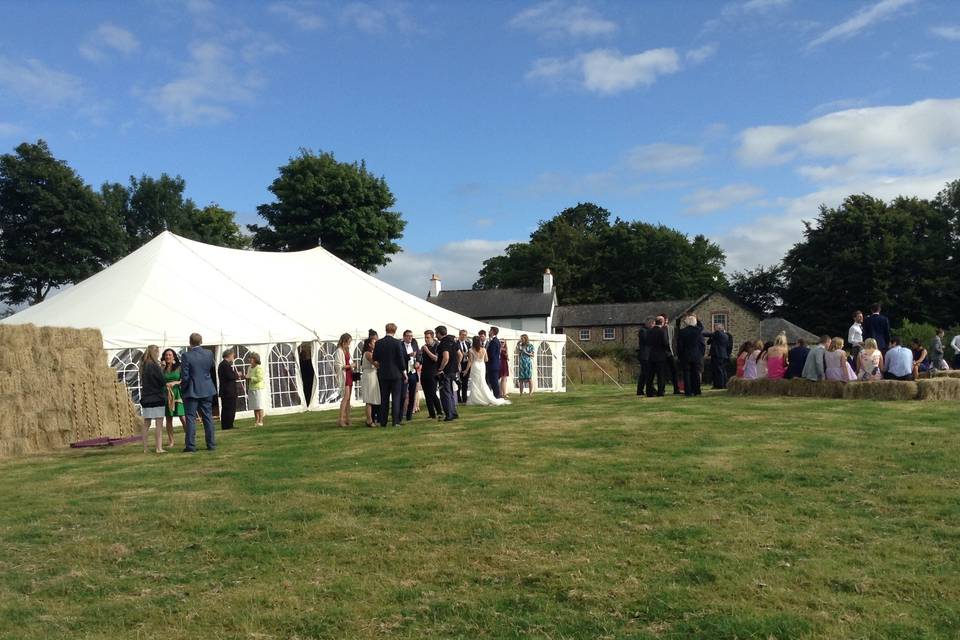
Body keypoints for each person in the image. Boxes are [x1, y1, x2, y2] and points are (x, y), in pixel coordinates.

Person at [180, 333, 217, 452]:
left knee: (190, 418)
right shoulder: (209, 353)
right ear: (201, 341)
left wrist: (183, 388)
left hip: (192, 390)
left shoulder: (186, 355)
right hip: (207, 388)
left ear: (190, 342)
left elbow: (185, 376)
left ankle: (191, 446)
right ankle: (211, 444)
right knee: (208, 417)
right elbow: (210, 367)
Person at [373, 323, 407, 428]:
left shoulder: (378, 343)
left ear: (385, 330)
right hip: (396, 374)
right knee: (396, 398)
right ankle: (395, 421)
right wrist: (404, 372)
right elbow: (400, 359)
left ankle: (383, 421)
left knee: (384, 398)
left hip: (383, 374)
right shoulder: (397, 343)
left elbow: (375, 358)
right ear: (395, 331)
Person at [466, 336, 511, 406]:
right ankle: (485, 396)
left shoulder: (471, 350)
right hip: (482, 366)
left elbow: (470, 361)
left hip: (475, 366)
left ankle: (476, 398)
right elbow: (486, 359)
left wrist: (466, 370)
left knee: (475, 382)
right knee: (482, 382)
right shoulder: (484, 349)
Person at [139, 345, 167, 454]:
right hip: (157, 397)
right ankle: (158, 448)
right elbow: (161, 381)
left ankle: (145, 448)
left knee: (146, 424)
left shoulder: (144, 365)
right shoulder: (154, 365)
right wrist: (162, 369)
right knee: (159, 424)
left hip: (146, 397)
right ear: (154, 352)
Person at [161, 348, 184, 447]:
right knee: (168, 418)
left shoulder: (179, 367)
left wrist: (175, 382)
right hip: (166, 394)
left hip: (177, 393)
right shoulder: (162, 368)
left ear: (173, 356)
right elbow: (159, 380)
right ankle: (171, 441)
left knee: (182, 416)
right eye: (166, 355)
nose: (168, 357)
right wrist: (161, 368)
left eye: (170, 355)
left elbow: (183, 380)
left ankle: (189, 438)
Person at [436, 326, 460, 422]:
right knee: (450, 393)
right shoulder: (452, 341)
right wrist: (456, 364)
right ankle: (453, 413)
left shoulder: (444, 342)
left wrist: (440, 369)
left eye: (436, 333)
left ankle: (449, 415)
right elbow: (460, 354)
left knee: (445, 393)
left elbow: (445, 357)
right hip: (453, 371)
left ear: (438, 333)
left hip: (445, 371)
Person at [676, 315, 703, 396]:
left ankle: (688, 391)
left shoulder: (682, 332)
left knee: (686, 373)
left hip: (685, 355)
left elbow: (679, 345)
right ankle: (697, 390)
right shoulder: (698, 331)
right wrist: (701, 353)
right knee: (696, 373)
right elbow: (701, 344)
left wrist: (679, 355)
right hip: (696, 355)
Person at [420, 330, 443, 419]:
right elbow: (420, 359)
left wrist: (427, 351)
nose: (426, 339)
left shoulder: (437, 346)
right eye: (425, 337)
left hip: (433, 373)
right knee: (427, 394)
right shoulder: (424, 348)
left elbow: (436, 358)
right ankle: (431, 413)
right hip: (424, 372)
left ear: (432, 337)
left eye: (428, 337)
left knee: (432, 393)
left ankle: (440, 411)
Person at [644, 316, 670, 396]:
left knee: (650, 375)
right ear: (662, 322)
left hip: (651, 355)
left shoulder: (649, 331)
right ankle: (660, 391)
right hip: (661, 356)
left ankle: (649, 391)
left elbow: (647, 342)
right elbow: (665, 343)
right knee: (660, 375)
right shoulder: (662, 332)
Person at [217, 348, 241, 431]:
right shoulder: (225, 365)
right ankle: (228, 425)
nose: (233, 357)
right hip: (228, 391)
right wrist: (237, 375)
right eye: (232, 355)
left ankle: (227, 424)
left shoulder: (223, 364)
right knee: (229, 408)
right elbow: (230, 376)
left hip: (226, 391)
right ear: (229, 355)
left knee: (226, 408)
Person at [360, 334, 381, 427]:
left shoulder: (372, 352)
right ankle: (369, 420)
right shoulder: (368, 353)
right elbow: (376, 363)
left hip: (372, 375)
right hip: (368, 375)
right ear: (369, 344)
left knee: (372, 398)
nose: (375, 344)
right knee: (369, 399)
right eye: (374, 342)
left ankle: (371, 419)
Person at [334, 333, 354, 427]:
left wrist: (352, 365)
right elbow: (338, 366)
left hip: (349, 374)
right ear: (344, 341)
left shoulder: (347, 350)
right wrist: (350, 366)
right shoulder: (339, 351)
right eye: (348, 341)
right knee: (345, 397)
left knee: (349, 398)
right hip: (344, 375)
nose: (349, 343)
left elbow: (349, 361)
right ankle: (341, 419)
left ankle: (347, 418)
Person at [400, 329, 420, 421]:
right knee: (403, 395)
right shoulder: (400, 345)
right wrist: (409, 356)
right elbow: (400, 358)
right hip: (404, 373)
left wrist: (418, 362)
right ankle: (399, 415)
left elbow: (419, 355)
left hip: (413, 372)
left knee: (412, 395)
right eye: (408, 336)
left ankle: (409, 415)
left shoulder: (414, 344)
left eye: (411, 336)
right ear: (404, 337)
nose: (409, 337)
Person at [705, 322, 730, 389]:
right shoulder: (726, 335)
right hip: (723, 354)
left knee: (718, 370)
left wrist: (699, 332)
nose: (714, 328)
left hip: (717, 354)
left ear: (718, 328)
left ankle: (720, 385)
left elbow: (708, 334)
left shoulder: (717, 333)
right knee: (722, 370)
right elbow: (708, 342)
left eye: (715, 327)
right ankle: (723, 384)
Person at [661, 314, 681, 394]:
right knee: (662, 372)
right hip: (662, 354)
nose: (664, 321)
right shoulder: (659, 329)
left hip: (670, 353)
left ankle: (676, 389)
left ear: (667, 320)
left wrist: (675, 353)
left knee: (674, 371)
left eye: (665, 319)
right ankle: (662, 389)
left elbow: (673, 341)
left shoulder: (671, 328)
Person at [246, 352, 265, 427]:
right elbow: (248, 375)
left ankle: (261, 421)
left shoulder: (259, 367)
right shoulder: (249, 367)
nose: (249, 359)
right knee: (254, 406)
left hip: (258, 388)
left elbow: (259, 378)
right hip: (251, 388)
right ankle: (256, 421)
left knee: (259, 405)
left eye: (251, 358)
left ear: (255, 359)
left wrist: (250, 378)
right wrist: (246, 377)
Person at [636, 319, 653, 395]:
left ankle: (640, 390)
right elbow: (646, 340)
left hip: (646, 355)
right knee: (646, 373)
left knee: (643, 374)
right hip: (644, 355)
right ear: (649, 324)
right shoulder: (643, 331)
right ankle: (649, 389)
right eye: (652, 324)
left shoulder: (645, 330)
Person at [485, 327, 502, 399]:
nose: (489, 332)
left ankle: (497, 396)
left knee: (494, 382)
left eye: (490, 330)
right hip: (494, 364)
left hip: (493, 364)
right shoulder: (495, 340)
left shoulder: (494, 341)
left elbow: (491, 354)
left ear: (493, 332)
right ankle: (496, 395)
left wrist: (485, 353)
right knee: (493, 381)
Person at [457, 329, 471, 403]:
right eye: (462, 335)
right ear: (459, 335)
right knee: (458, 382)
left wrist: (466, 354)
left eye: (465, 335)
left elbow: (470, 354)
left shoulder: (468, 343)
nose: (464, 336)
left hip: (466, 364)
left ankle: (464, 398)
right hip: (458, 364)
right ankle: (458, 398)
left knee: (465, 383)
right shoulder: (456, 343)